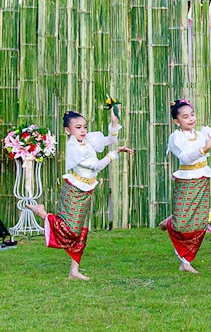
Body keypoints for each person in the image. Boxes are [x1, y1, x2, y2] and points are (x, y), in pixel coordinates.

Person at [26, 110, 132, 280]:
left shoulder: (86, 140)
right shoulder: (73, 147)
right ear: (68, 131)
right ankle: (42, 213)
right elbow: (97, 166)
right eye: (78, 127)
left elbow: (109, 140)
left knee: (81, 232)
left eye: (84, 127)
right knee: (71, 231)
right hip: (74, 190)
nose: (83, 130)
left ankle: (74, 271)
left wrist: (113, 122)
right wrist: (115, 154)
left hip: (87, 189)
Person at [162, 98, 211, 273]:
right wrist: (204, 149)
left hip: (202, 178)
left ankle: (186, 261)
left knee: (199, 223)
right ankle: (171, 222)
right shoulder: (176, 137)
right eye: (185, 117)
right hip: (186, 180)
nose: (190, 119)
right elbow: (184, 158)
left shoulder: (203, 133)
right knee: (182, 224)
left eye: (192, 115)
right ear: (177, 121)